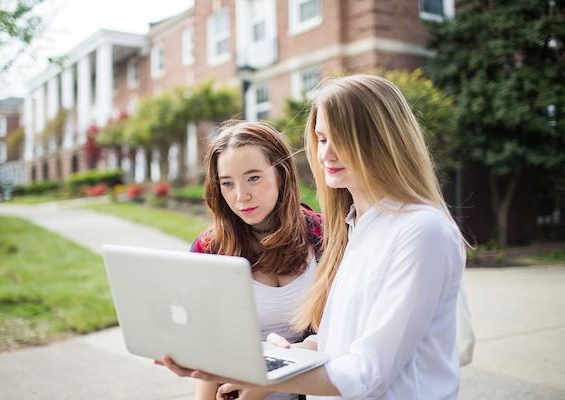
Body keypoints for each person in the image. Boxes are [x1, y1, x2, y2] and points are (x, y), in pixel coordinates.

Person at [160, 75, 467, 400]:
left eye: (344, 138)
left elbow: (368, 372)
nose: (327, 154)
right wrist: (290, 353)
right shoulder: (353, 227)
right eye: (322, 139)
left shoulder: (420, 231)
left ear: (384, 140)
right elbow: (345, 342)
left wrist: (268, 377)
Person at [188, 120, 323, 400]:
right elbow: (207, 347)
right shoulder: (210, 249)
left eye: (253, 178)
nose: (241, 196)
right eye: (227, 183)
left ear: (281, 174)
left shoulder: (322, 236)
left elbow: (344, 334)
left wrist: (271, 382)